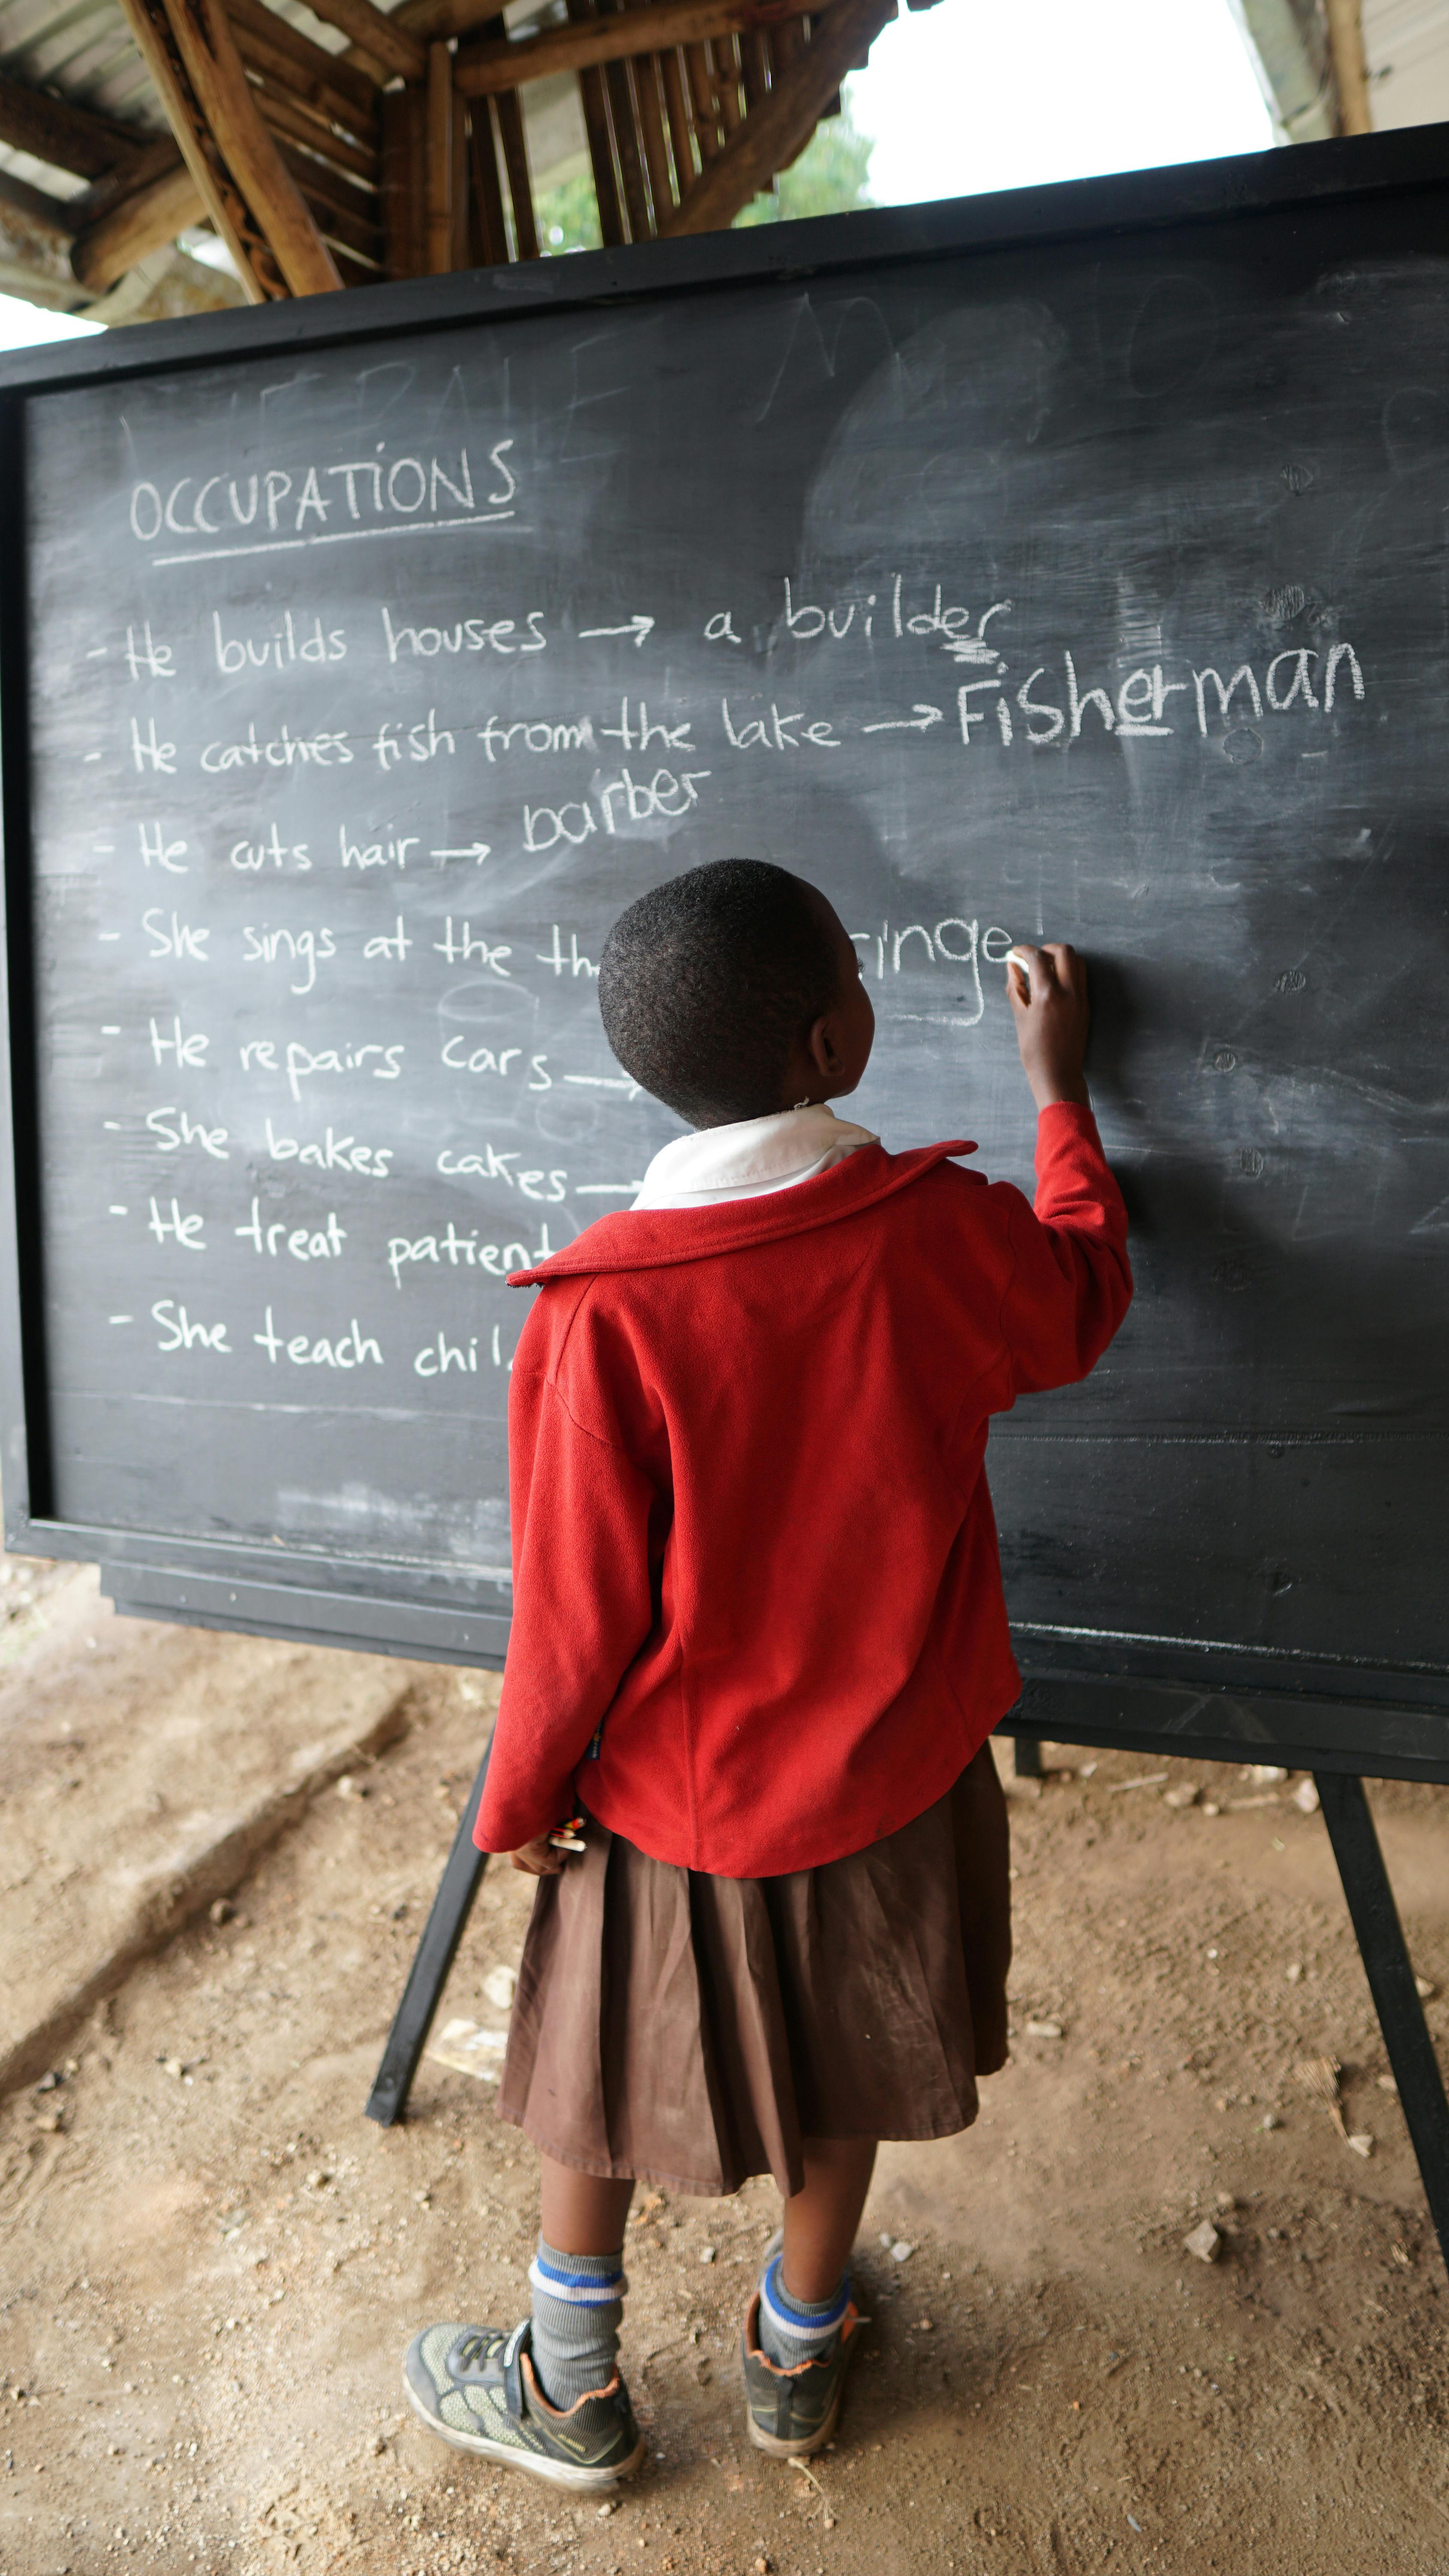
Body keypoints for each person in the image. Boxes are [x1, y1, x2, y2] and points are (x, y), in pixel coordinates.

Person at [403, 858, 1131, 2489]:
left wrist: (517, 1804)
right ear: (834, 1040)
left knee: (592, 2083)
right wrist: (1060, 1098)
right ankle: (797, 2356)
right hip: (889, 1773)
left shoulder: (603, 1315)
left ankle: (571, 2386)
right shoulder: (941, 1234)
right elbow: (1081, 1295)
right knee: (852, 2053)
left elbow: (573, 1619)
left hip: (676, 1797)